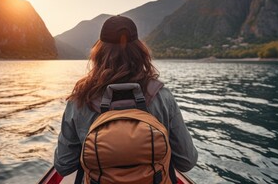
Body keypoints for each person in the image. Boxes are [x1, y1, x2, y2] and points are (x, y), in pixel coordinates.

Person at [54, 15, 198, 182]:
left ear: (98, 54)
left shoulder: (80, 100)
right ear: (140, 52)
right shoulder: (162, 97)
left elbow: (64, 165)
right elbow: (187, 161)